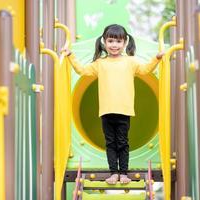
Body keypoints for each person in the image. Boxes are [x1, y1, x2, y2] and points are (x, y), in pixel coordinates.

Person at [62, 24, 164, 185]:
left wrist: (157, 59)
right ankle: (113, 173)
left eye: (118, 41)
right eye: (110, 41)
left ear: (124, 43)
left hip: (124, 110)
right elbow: (82, 71)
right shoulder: (100, 64)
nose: (114, 45)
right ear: (104, 42)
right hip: (106, 110)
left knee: (122, 142)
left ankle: (124, 173)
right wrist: (70, 56)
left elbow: (145, 70)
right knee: (110, 143)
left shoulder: (130, 62)